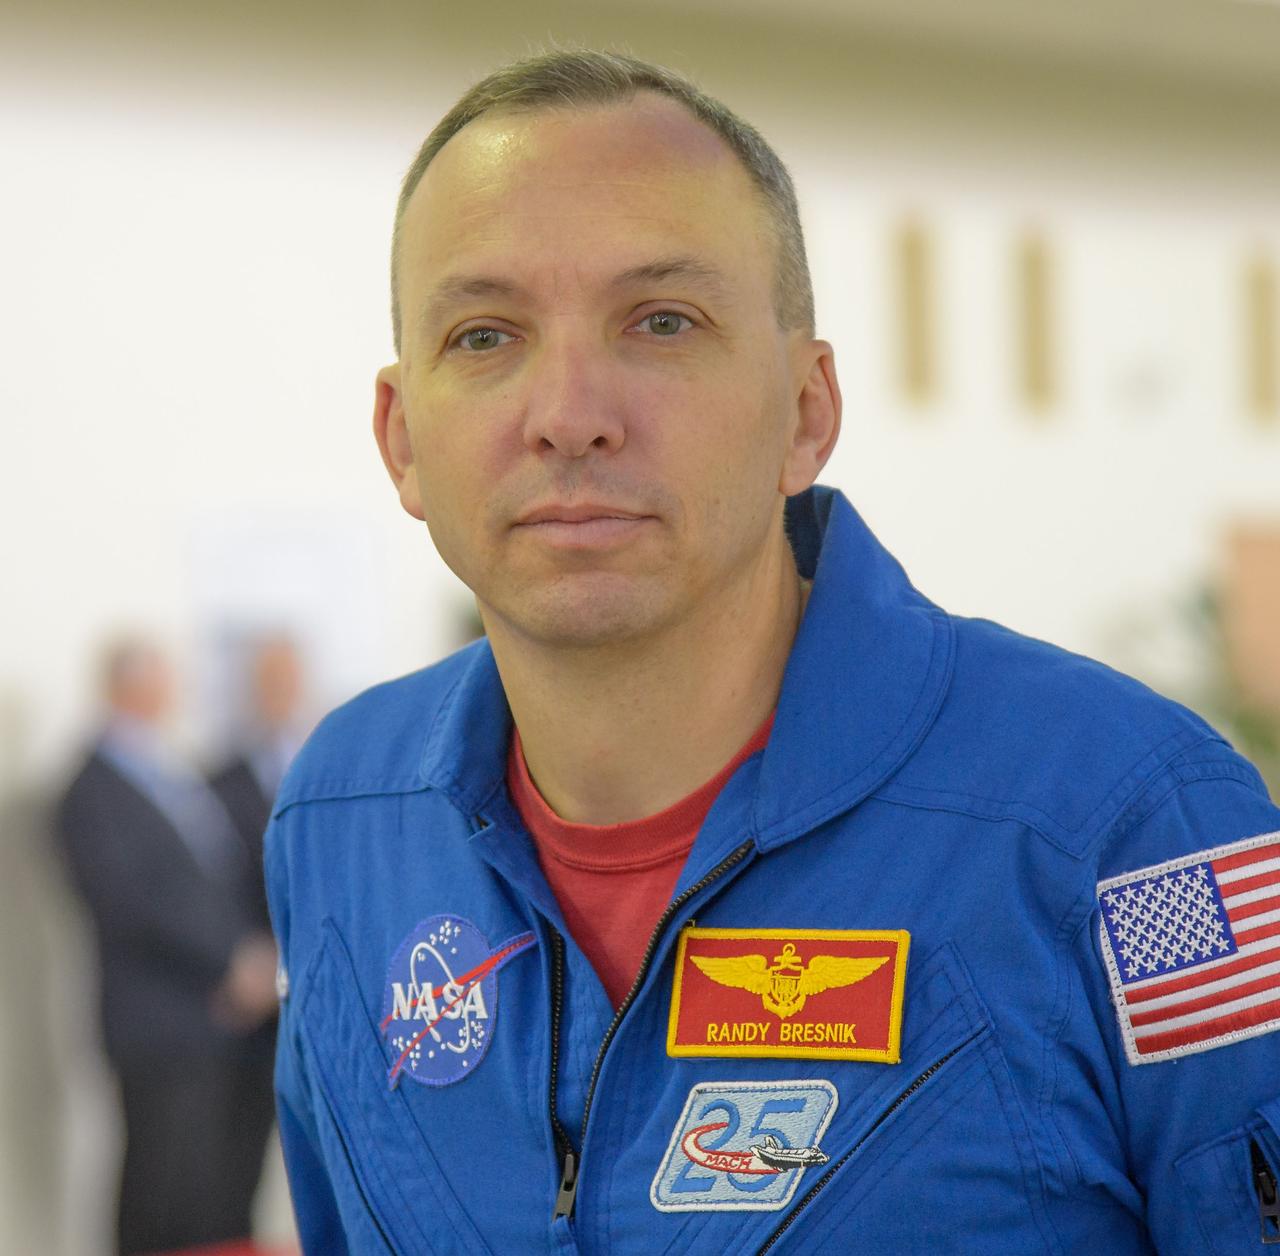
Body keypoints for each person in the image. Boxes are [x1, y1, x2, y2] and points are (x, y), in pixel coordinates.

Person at [265, 50, 1280, 1254]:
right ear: (402, 442)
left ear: (806, 412)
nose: (569, 411)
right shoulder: (341, 818)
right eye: (485, 335)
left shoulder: (1132, 827)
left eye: (660, 321)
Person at [57, 637, 278, 1255]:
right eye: (163, 678)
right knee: (163, 1202)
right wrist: (233, 963)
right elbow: (136, 903)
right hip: (161, 1024)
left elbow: (219, 878)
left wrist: (256, 964)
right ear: (130, 687)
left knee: (218, 1202)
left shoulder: (169, 774)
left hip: (225, 1024)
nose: (175, 692)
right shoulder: (91, 790)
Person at [210, 634, 307, 1244]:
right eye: (268, 679)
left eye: (287, 677)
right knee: (233, 1158)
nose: (279, 691)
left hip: (314, 988)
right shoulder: (215, 780)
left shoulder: (325, 767)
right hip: (247, 1000)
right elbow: (211, 884)